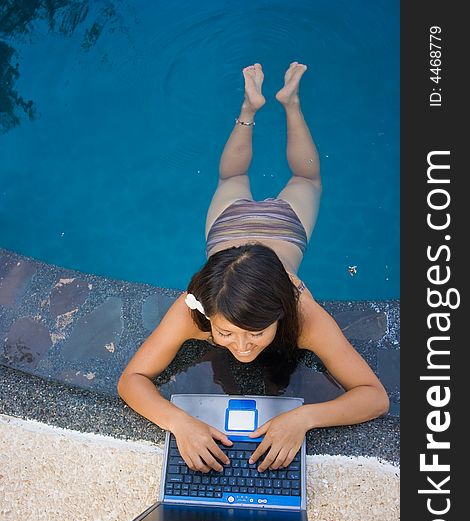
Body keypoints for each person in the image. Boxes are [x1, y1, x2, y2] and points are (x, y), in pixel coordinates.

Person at [117, 62, 389, 475]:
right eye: (226, 333)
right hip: (229, 225)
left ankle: (287, 103)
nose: (242, 348)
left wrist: (304, 418)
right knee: (280, 176)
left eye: (256, 333)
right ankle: (254, 104)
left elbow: (376, 397)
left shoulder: (303, 313)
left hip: (283, 226)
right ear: (209, 315)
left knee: (281, 175)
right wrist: (179, 423)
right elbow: (130, 379)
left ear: (280, 311)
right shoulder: (197, 308)